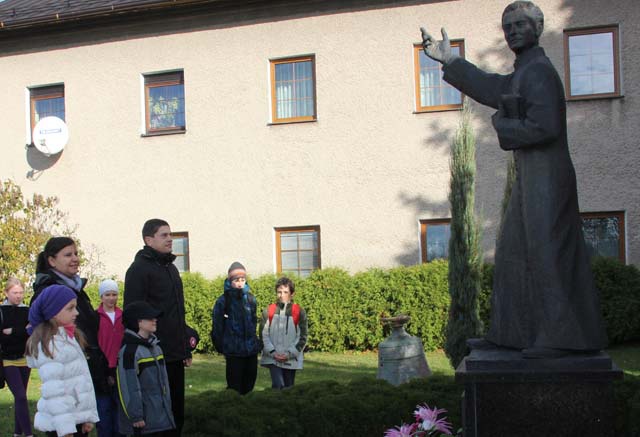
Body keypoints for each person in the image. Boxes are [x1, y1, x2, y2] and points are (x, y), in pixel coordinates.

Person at [420, 0, 606, 357]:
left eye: (521, 24)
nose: (513, 31)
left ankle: (560, 338)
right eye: (508, 27)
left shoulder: (539, 72)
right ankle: (511, 334)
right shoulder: (525, 71)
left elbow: (545, 127)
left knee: (546, 254)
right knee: (513, 254)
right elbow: (494, 88)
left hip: (548, 176)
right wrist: (451, 61)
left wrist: (502, 125)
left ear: (537, 28)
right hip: (533, 175)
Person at [124, 219, 190, 436]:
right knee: (156, 415)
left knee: (176, 412)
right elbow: (133, 313)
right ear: (148, 240)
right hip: (153, 355)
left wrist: (185, 346)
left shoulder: (171, 268)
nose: (170, 239)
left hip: (174, 353)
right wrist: (145, 345)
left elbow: (176, 313)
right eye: (164, 235)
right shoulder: (138, 269)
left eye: (170, 234)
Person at [32, 237, 110, 394]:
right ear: (52, 261)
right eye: (68, 255)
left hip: (91, 370)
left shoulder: (77, 290)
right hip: (69, 377)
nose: (75, 259)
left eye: (76, 253)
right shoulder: (49, 292)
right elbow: (44, 334)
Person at [25, 284, 99, 437]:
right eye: (70, 308)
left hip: (74, 420)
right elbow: (54, 392)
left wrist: (86, 417)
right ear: (53, 312)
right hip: (62, 426)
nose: (76, 312)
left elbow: (81, 380)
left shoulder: (67, 337)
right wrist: (65, 429)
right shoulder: (51, 345)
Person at [117, 301, 175, 436]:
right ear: (138, 322)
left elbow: (164, 383)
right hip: (142, 423)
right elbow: (128, 386)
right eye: (150, 317)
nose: (155, 320)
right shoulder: (130, 352)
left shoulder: (156, 347)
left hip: (160, 418)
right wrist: (136, 416)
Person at [211, 262, 261, 394]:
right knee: (234, 388)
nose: (240, 283)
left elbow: (254, 321)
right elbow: (217, 326)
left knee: (249, 386)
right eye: (236, 280)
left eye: (243, 280)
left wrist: (255, 342)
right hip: (233, 352)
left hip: (250, 350)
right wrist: (222, 346)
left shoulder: (251, 299)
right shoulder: (223, 301)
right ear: (230, 281)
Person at [260, 276, 308, 389]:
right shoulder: (269, 311)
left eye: (286, 292)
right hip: (273, 357)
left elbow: (302, 337)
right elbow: (263, 335)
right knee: (278, 386)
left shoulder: (299, 312)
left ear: (292, 294)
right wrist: (273, 353)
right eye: (279, 292)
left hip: (291, 358)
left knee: (289, 387)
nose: (282, 295)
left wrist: (289, 354)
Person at [1, 277, 33, 437]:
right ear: (6, 293)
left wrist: (13, 331)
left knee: (20, 398)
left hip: (24, 358)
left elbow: (30, 332)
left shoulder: (27, 310)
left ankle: (17, 433)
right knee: (20, 396)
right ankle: (28, 434)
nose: (18, 296)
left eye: (21, 292)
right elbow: (2, 337)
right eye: (14, 293)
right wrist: (21, 331)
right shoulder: (1, 311)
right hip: (7, 359)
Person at [96, 279, 125, 437]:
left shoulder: (123, 316)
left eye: (114, 294)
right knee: (104, 409)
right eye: (107, 294)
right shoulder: (96, 317)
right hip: (102, 368)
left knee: (119, 409)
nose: (111, 298)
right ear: (102, 297)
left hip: (119, 367)